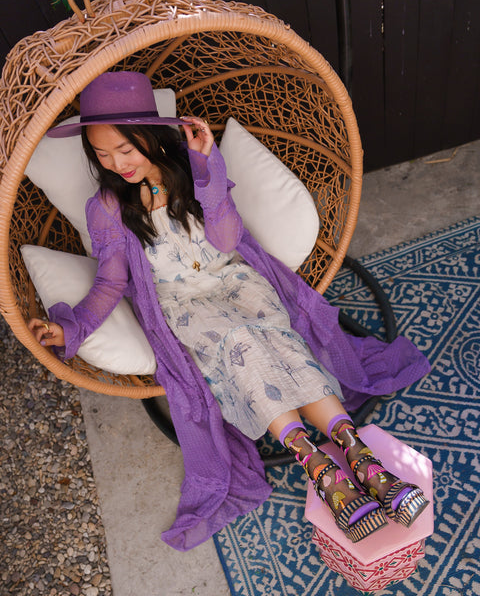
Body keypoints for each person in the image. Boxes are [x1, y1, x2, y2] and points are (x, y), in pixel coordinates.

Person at [28, 72, 431, 551]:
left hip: (235, 279)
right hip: (183, 305)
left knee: (275, 337)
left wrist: (207, 168)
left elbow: (225, 240)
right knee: (239, 345)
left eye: (125, 149)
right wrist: (71, 326)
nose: (117, 164)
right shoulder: (108, 206)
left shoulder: (194, 170)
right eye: (102, 154)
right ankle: (320, 468)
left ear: (151, 136)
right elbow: (112, 281)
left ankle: (362, 459)